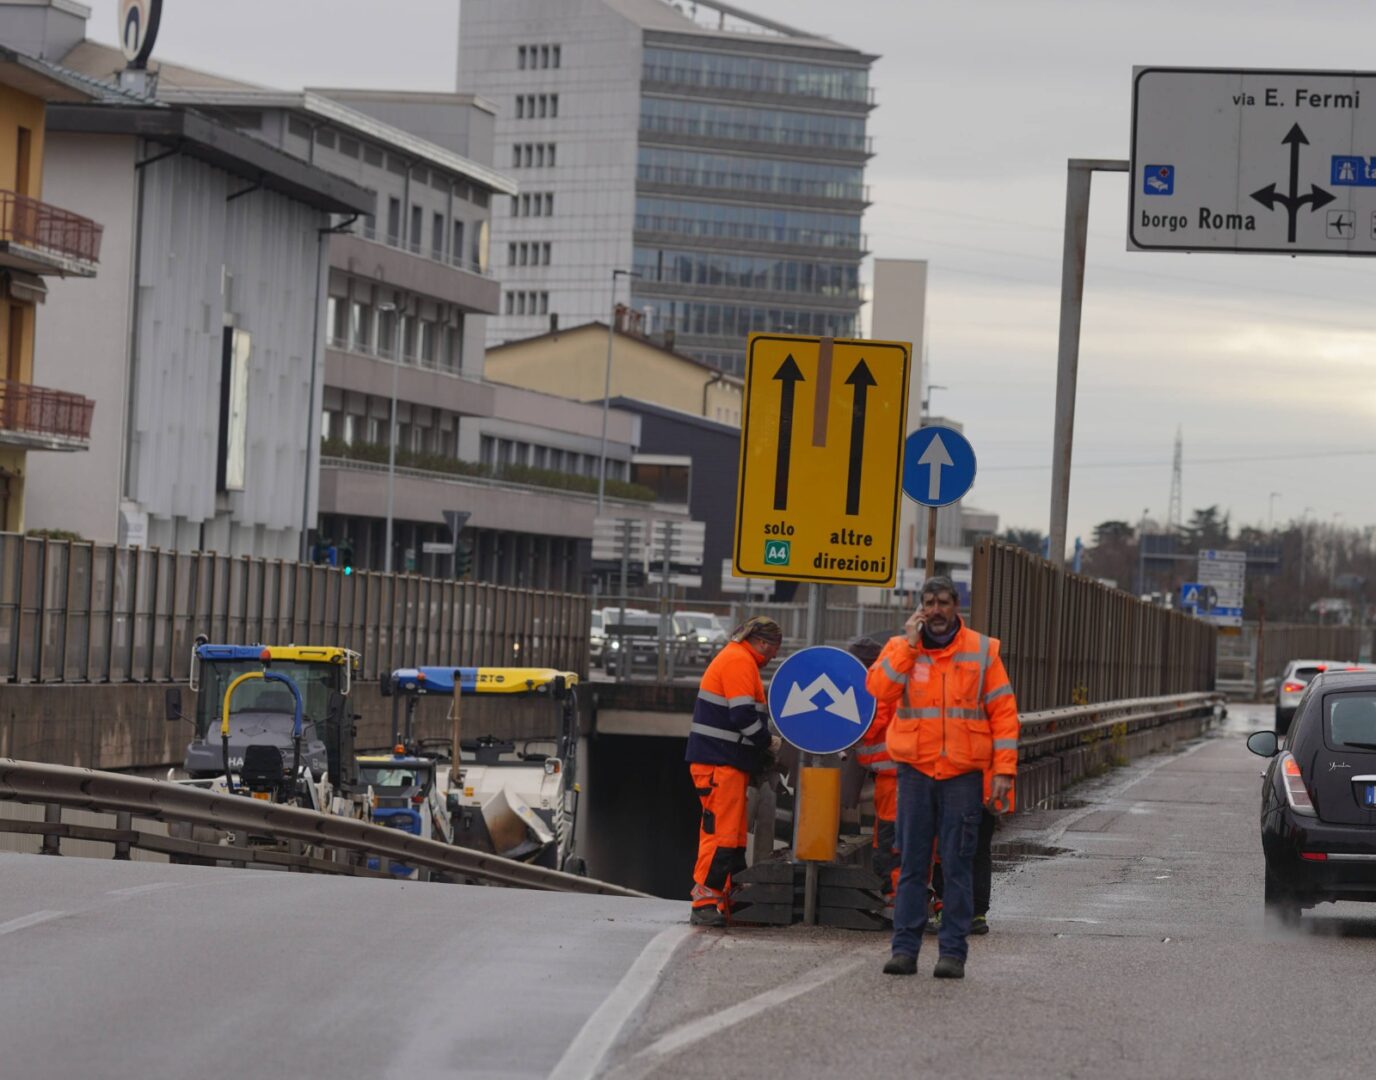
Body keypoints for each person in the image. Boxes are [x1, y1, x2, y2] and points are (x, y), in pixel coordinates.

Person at [867, 576, 1019, 978]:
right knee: (913, 864)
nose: (935, 610)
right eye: (928, 603)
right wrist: (907, 646)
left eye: (942, 602)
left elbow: (1003, 714)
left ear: (956, 606)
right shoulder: (903, 650)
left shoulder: (983, 651)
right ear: (920, 608)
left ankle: (952, 953)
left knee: (957, 865)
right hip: (915, 773)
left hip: (962, 776)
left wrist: (1003, 770)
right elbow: (878, 689)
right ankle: (904, 951)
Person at [686, 614, 783, 927]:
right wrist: (769, 744)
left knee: (735, 836)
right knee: (722, 836)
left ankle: (729, 896)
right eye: (773, 650)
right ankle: (705, 900)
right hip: (720, 764)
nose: (774, 657)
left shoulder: (739, 660)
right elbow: (742, 716)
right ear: (762, 643)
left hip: (725, 763)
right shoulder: (739, 662)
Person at [848, 636, 899, 907]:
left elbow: (871, 721)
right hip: (891, 776)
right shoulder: (889, 680)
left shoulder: (877, 686)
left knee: (891, 838)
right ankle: (895, 897)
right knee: (890, 836)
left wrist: (845, 735)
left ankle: (897, 900)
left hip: (895, 778)